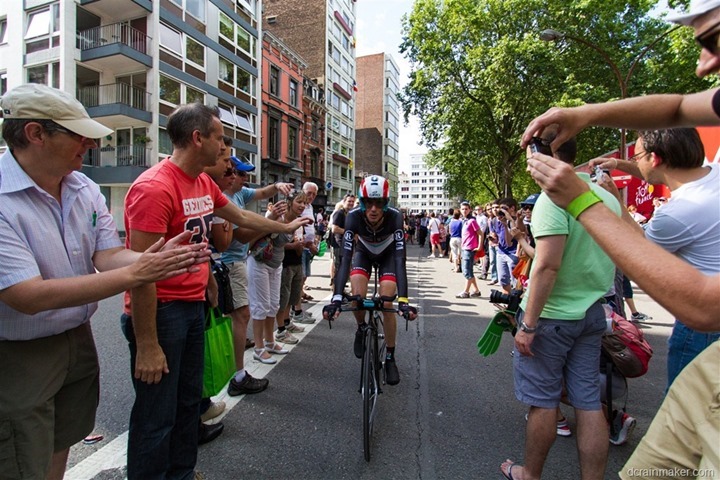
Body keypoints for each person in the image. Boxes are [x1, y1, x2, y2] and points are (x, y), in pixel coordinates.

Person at [0, 83, 210, 480]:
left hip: (76, 338)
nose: (89, 145)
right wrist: (139, 271)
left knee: (61, 441)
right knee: (22, 455)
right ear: (35, 133)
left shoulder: (83, 187)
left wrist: (154, 259)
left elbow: (106, 255)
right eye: (77, 135)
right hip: (19, 351)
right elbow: (26, 295)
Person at [121, 102, 309, 479]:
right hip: (161, 314)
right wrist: (147, 342)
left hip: (191, 310)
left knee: (188, 403)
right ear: (197, 138)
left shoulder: (203, 182)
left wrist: (285, 228)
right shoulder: (154, 188)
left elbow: (238, 217)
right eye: (220, 138)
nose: (225, 147)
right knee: (157, 415)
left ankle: (181, 473)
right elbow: (141, 273)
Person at [501, 129, 622, 480]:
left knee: (543, 403)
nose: (527, 162)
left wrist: (528, 325)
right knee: (587, 403)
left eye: (529, 153)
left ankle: (529, 474)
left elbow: (548, 265)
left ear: (545, 154)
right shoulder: (604, 196)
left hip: (552, 318)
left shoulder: (552, 199)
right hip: (591, 313)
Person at [590, 127, 720, 390]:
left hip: (702, 322)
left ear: (655, 158)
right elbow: (656, 169)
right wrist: (617, 163)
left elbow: (642, 250)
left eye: (637, 156)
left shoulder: (676, 214)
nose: (636, 161)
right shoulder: (712, 174)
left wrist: (617, 201)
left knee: (684, 404)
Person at [322, 175, 417, 385]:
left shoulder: (395, 217)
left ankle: (390, 358)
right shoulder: (353, 217)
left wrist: (404, 300)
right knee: (357, 297)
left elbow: (400, 261)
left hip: (388, 256)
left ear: (386, 203)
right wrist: (337, 298)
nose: (373, 209)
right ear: (362, 202)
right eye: (368, 203)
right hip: (363, 253)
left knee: (387, 301)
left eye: (379, 203)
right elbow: (345, 260)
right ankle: (360, 327)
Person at [220, 157, 296, 396]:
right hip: (231, 262)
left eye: (242, 174)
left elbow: (262, 192)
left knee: (244, 313)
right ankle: (239, 372)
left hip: (238, 261)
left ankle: (240, 366)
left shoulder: (239, 194)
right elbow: (242, 236)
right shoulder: (225, 197)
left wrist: (277, 186)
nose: (242, 178)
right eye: (237, 173)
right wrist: (273, 221)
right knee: (243, 314)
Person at [276, 190, 312, 345]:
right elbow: (276, 244)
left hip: (296, 262)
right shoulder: (280, 219)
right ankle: (281, 330)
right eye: (299, 202)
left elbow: (298, 245)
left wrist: (300, 245)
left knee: (293, 296)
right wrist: (294, 245)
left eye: (304, 203)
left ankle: (288, 321)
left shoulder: (299, 221)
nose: (302, 206)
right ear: (289, 203)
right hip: (283, 264)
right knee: (283, 298)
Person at [455, 202, 483, 298]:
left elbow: (480, 233)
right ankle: (476, 290)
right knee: (468, 270)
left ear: (470, 209)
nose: (464, 211)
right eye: (462, 209)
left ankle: (466, 292)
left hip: (470, 248)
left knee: (466, 271)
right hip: (464, 247)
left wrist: (479, 246)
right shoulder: (463, 221)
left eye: (466, 209)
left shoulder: (472, 221)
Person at [330, 193, 356, 292]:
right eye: (349, 201)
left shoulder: (350, 214)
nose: (351, 203)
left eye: (352, 202)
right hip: (338, 244)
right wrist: (349, 232)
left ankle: (341, 292)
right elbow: (334, 229)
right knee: (339, 269)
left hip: (347, 245)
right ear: (344, 202)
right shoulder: (339, 213)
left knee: (345, 270)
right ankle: (337, 293)